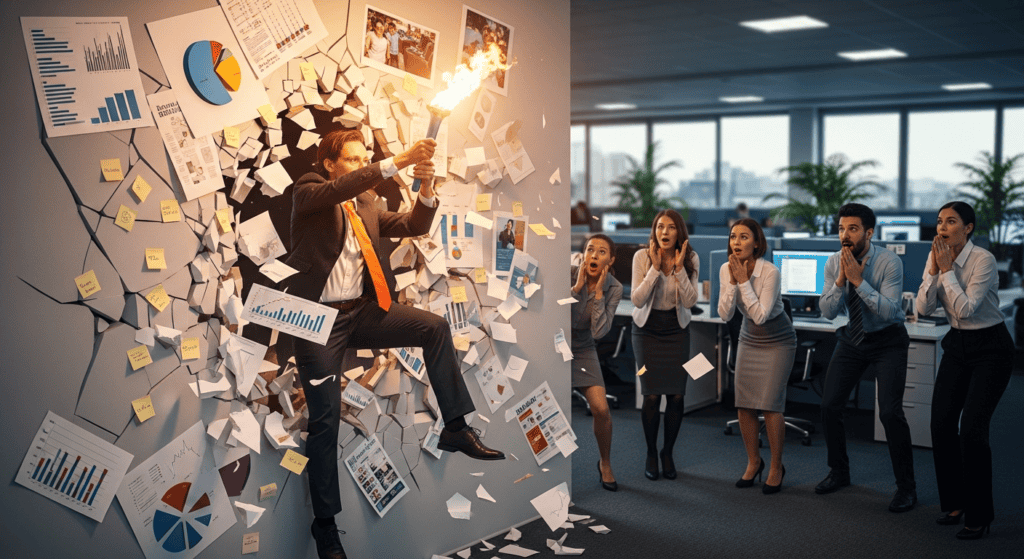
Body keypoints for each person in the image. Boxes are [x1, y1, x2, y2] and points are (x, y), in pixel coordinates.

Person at [286, 129, 505, 559]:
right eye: (352, 159)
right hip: (319, 322)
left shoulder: (366, 204)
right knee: (326, 420)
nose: (361, 165)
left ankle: (456, 428)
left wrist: (426, 187)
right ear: (329, 164)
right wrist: (399, 160)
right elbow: (341, 189)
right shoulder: (309, 191)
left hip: (361, 312)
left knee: (434, 328)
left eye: (364, 157)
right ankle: (325, 526)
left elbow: (413, 225)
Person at [916, 201, 1013, 540]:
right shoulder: (936, 258)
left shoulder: (983, 260)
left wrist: (945, 271)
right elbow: (923, 307)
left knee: (972, 429)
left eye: (951, 221)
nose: (942, 228)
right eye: (939, 221)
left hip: (991, 348)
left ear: (968, 228)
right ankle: (954, 503)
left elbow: (967, 309)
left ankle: (979, 514)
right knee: (941, 424)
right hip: (957, 345)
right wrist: (933, 272)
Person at [815, 203, 917, 512]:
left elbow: (890, 311)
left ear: (869, 232)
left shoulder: (889, 261)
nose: (845, 235)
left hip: (888, 341)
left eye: (853, 229)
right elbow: (827, 311)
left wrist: (859, 281)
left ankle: (906, 488)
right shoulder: (834, 262)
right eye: (841, 229)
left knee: (890, 413)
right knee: (829, 405)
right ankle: (839, 471)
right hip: (853, 338)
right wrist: (840, 280)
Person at [718, 218, 796, 494]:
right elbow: (725, 314)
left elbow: (761, 316)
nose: (736, 242)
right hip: (749, 339)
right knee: (745, 405)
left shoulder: (770, 272)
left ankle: (776, 466)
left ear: (756, 242)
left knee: (770, 405)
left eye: (744, 237)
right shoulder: (726, 268)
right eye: (733, 237)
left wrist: (743, 282)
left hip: (778, 340)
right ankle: (754, 462)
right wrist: (731, 283)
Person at [631, 209, 699, 481]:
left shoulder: (690, 258)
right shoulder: (642, 257)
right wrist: (655, 269)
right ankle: (651, 452)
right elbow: (637, 300)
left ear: (679, 232)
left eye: (671, 227)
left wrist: (679, 270)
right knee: (651, 395)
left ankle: (667, 452)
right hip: (646, 332)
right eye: (660, 226)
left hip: (676, 331)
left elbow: (691, 302)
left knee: (677, 395)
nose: (664, 232)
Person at [571, 234, 623, 492]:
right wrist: (577, 288)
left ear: (610, 260)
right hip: (554, 342)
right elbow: (552, 314)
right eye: (590, 249)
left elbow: (599, 332)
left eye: (601, 252)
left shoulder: (615, 288)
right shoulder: (569, 273)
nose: (594, 255)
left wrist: (599, 294)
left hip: (583, 347)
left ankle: (605, 463)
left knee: (601, 409)